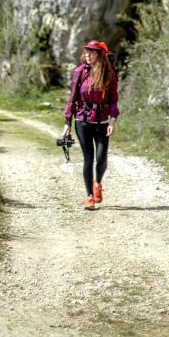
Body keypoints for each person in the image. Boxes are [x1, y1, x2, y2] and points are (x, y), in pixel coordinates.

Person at [62, 39, 119, 210]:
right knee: (88, 157)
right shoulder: (80, 72)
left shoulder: (109, 74)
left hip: (102, 121)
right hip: (82, 120)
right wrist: (67, 122)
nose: (87, 54)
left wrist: (112, 120)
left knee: (101, 158)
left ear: (99, 55)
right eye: (86, 52)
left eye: (91, 52)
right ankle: (89, 197)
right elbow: (72, 98)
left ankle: (98, 183)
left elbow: (114, 100)